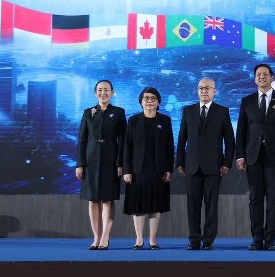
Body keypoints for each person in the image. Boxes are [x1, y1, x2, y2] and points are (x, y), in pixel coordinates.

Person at [235, 64, 275, 251]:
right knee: (255, 199)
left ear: (271, 77)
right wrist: (240, 156)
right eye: (258, 74)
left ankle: (270, 239)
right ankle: (257, 238)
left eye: (265, 74)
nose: (262, 77)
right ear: (255, 79)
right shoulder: (247, 101)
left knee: (273, 199)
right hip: (253, 157)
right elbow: (241, 131)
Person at [176, 78, 235, 250]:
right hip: (192, 165)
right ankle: (194, 240)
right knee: (192, 206)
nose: (203, 91)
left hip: (214, 166)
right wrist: (180, 162)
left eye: (207, 88)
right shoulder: (188, 110)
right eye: (201, 88)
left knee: (211, 205)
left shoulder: (222, 111)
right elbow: (182, 139)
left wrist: (227, 163)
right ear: (197, 91)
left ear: (214, 91)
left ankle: (208, 240)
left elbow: (229, 140)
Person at [75, 79, 126, 250]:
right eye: (100, 90)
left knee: (107, 199)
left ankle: (105, 236)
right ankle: (96, 237)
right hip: (91, 159)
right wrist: (80, 164)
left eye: (106, 90)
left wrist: (120, 163)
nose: (103, 93)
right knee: (93, 199)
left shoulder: (118, 112)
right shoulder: (88, 112)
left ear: (112, 92)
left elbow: (123, 140)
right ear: (95, 93)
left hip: (111, 158)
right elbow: (82, 139)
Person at [122, 87, 173, 249]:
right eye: (146, 98)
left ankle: (152, 240)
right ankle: (139, 240)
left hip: (158, 170)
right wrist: (127, 170)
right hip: (138, 170)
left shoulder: (165, 120)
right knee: (138, 206)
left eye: (153, 98)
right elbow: (127, 147)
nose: (149, 101)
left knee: (155, 206)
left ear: (158, 102)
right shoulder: (133, 120)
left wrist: (168, 169)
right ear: (141, 102)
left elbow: (169, 147)